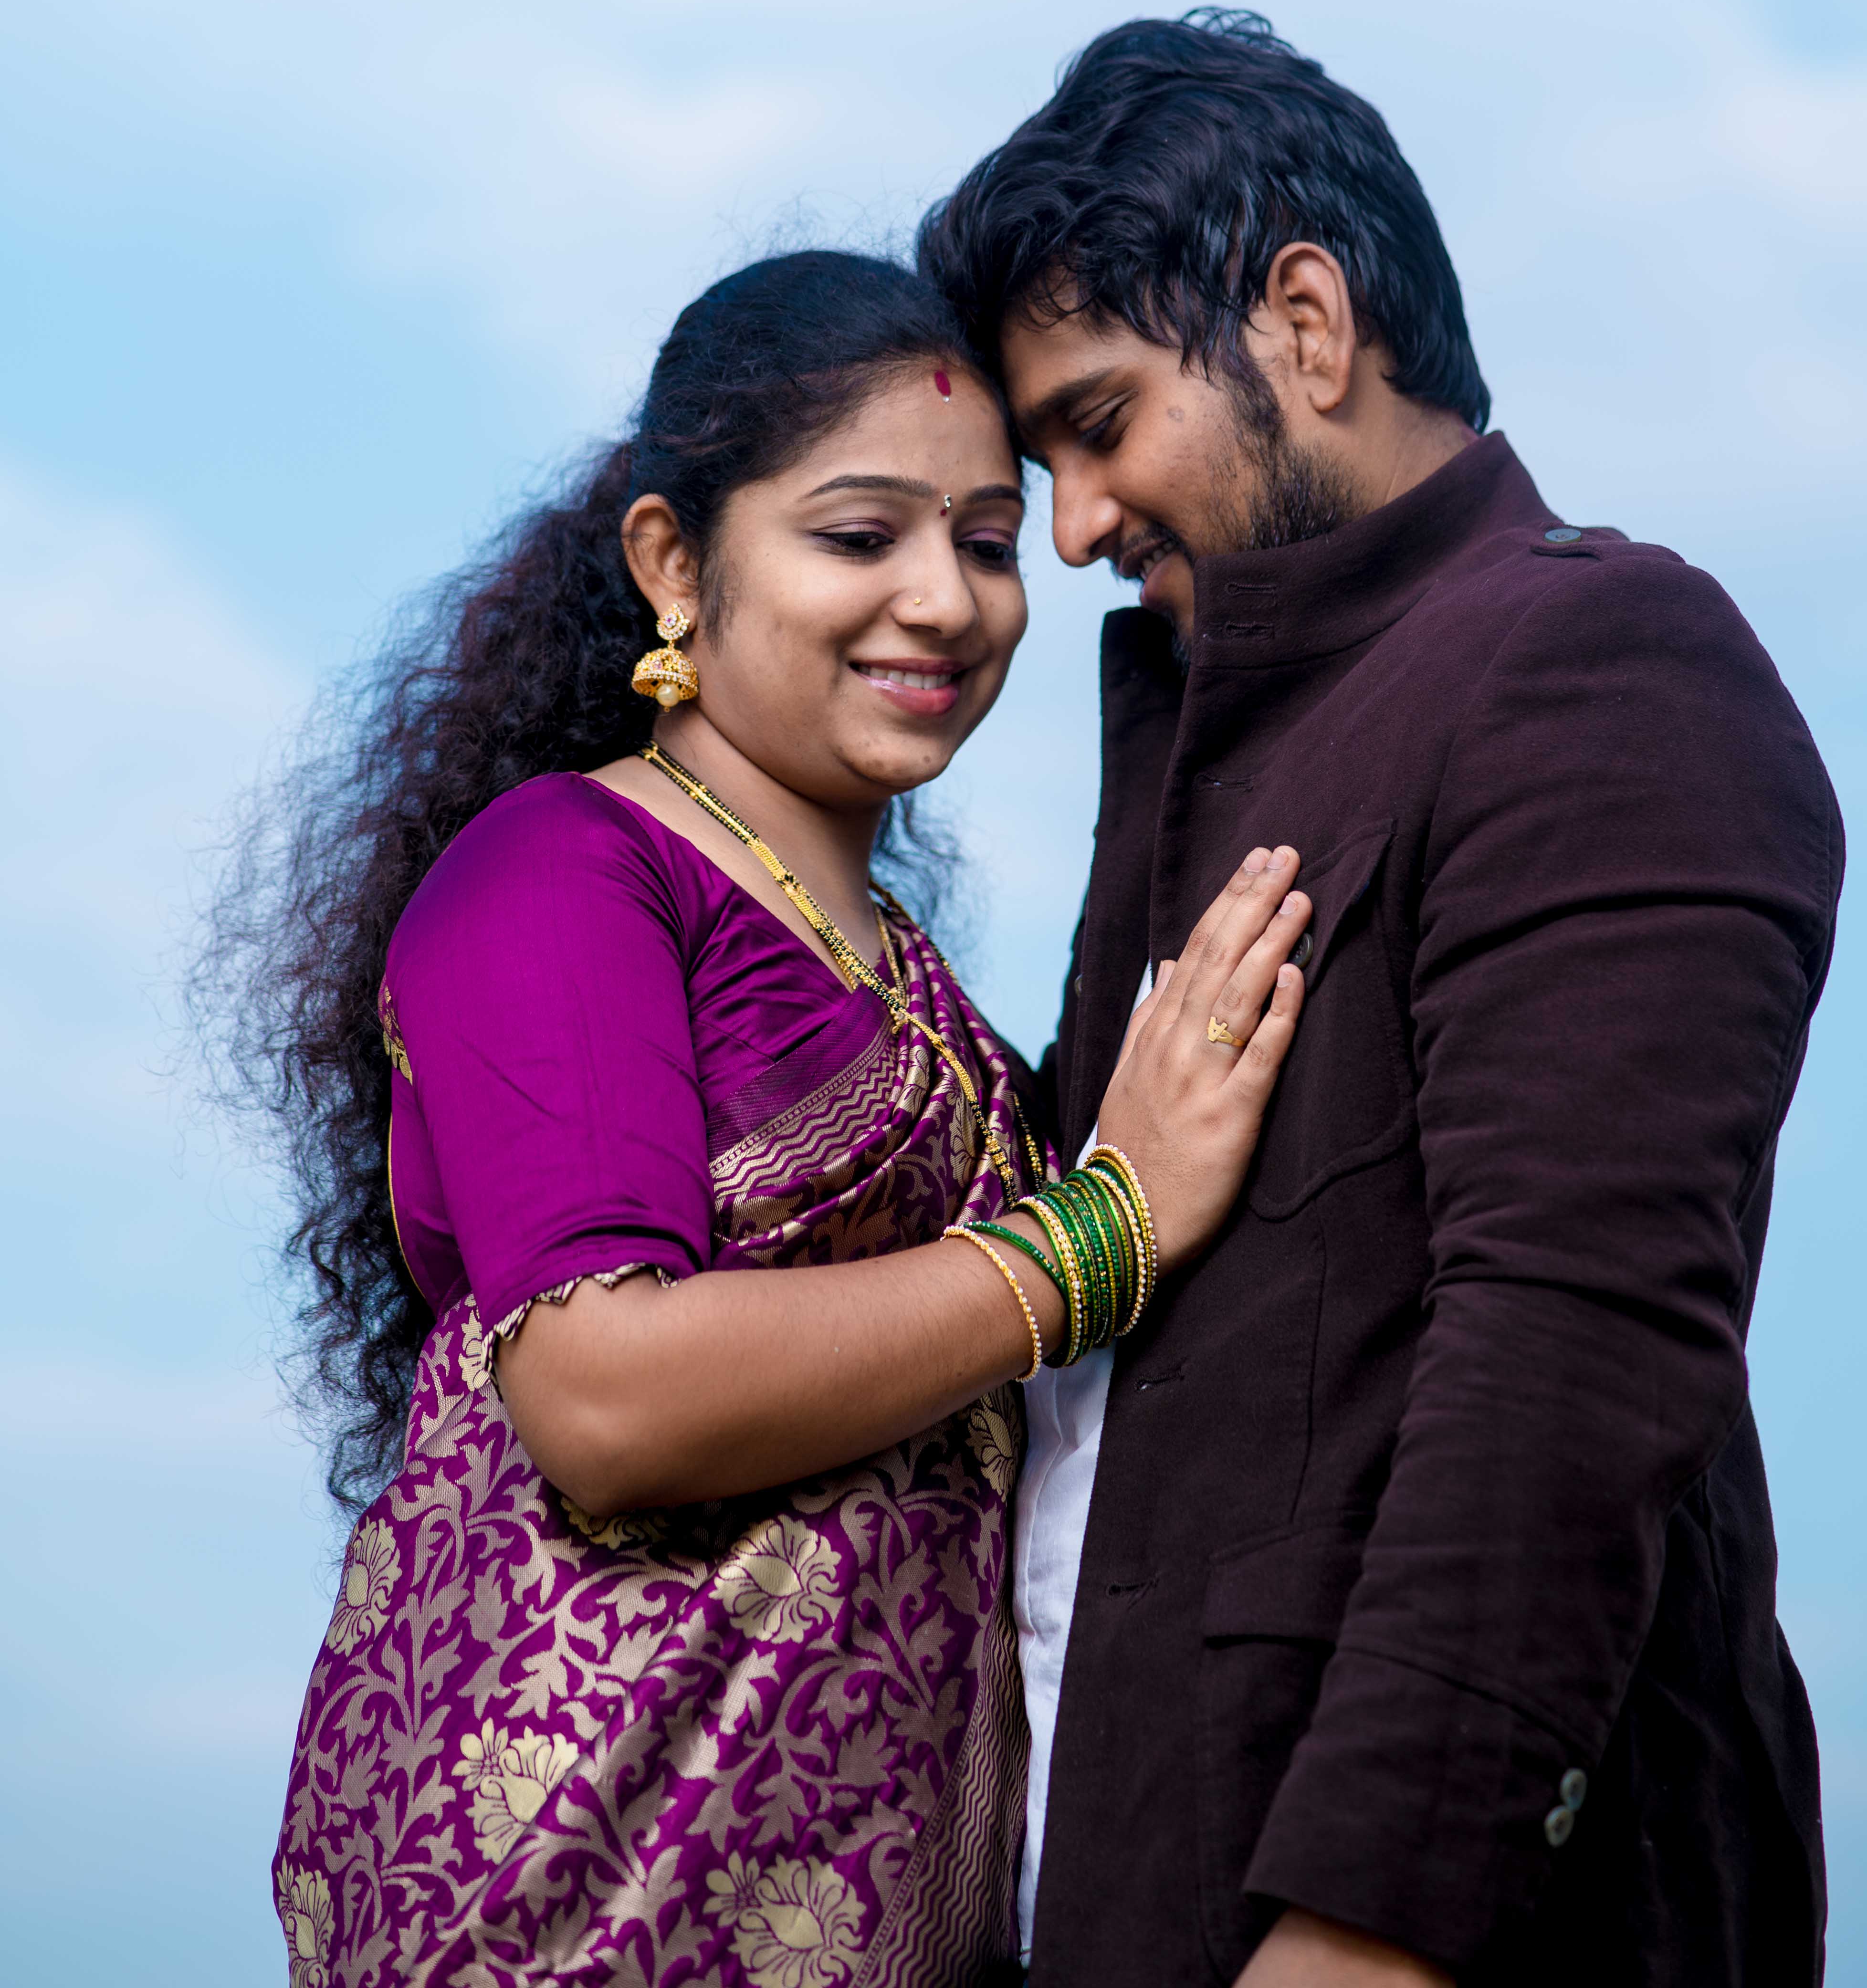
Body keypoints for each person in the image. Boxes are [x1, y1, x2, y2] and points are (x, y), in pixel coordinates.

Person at [223, 249, 1314, 1988]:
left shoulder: (922, 993)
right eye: (860, 535)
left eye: (986, 543)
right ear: (676, 563)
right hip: (578, 1911)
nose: (944, 603)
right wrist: (1100, 1233)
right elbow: (603, 1396)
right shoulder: (560, 873)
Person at [918, 12, 1842, 1988]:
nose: (1069, 528)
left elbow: (1576, 1359)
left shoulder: (1597, 659)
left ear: (1307, 325)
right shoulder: (1205, 750)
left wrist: (1366, 1933)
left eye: (1099, 423)